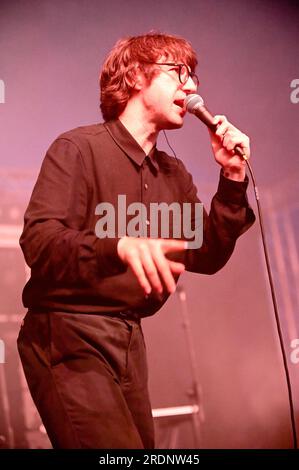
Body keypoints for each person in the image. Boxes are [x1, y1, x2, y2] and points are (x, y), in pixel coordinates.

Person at [17, 32, 255, 449]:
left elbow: (208, 253)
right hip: (67, 335)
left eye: (194, 75)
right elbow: (40, 241)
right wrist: (119, 245)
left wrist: (232, 178)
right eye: (177, 72)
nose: (192, 85)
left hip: (129, 341)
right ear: (134, 78)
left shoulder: (173, 175)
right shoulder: (77, 149)